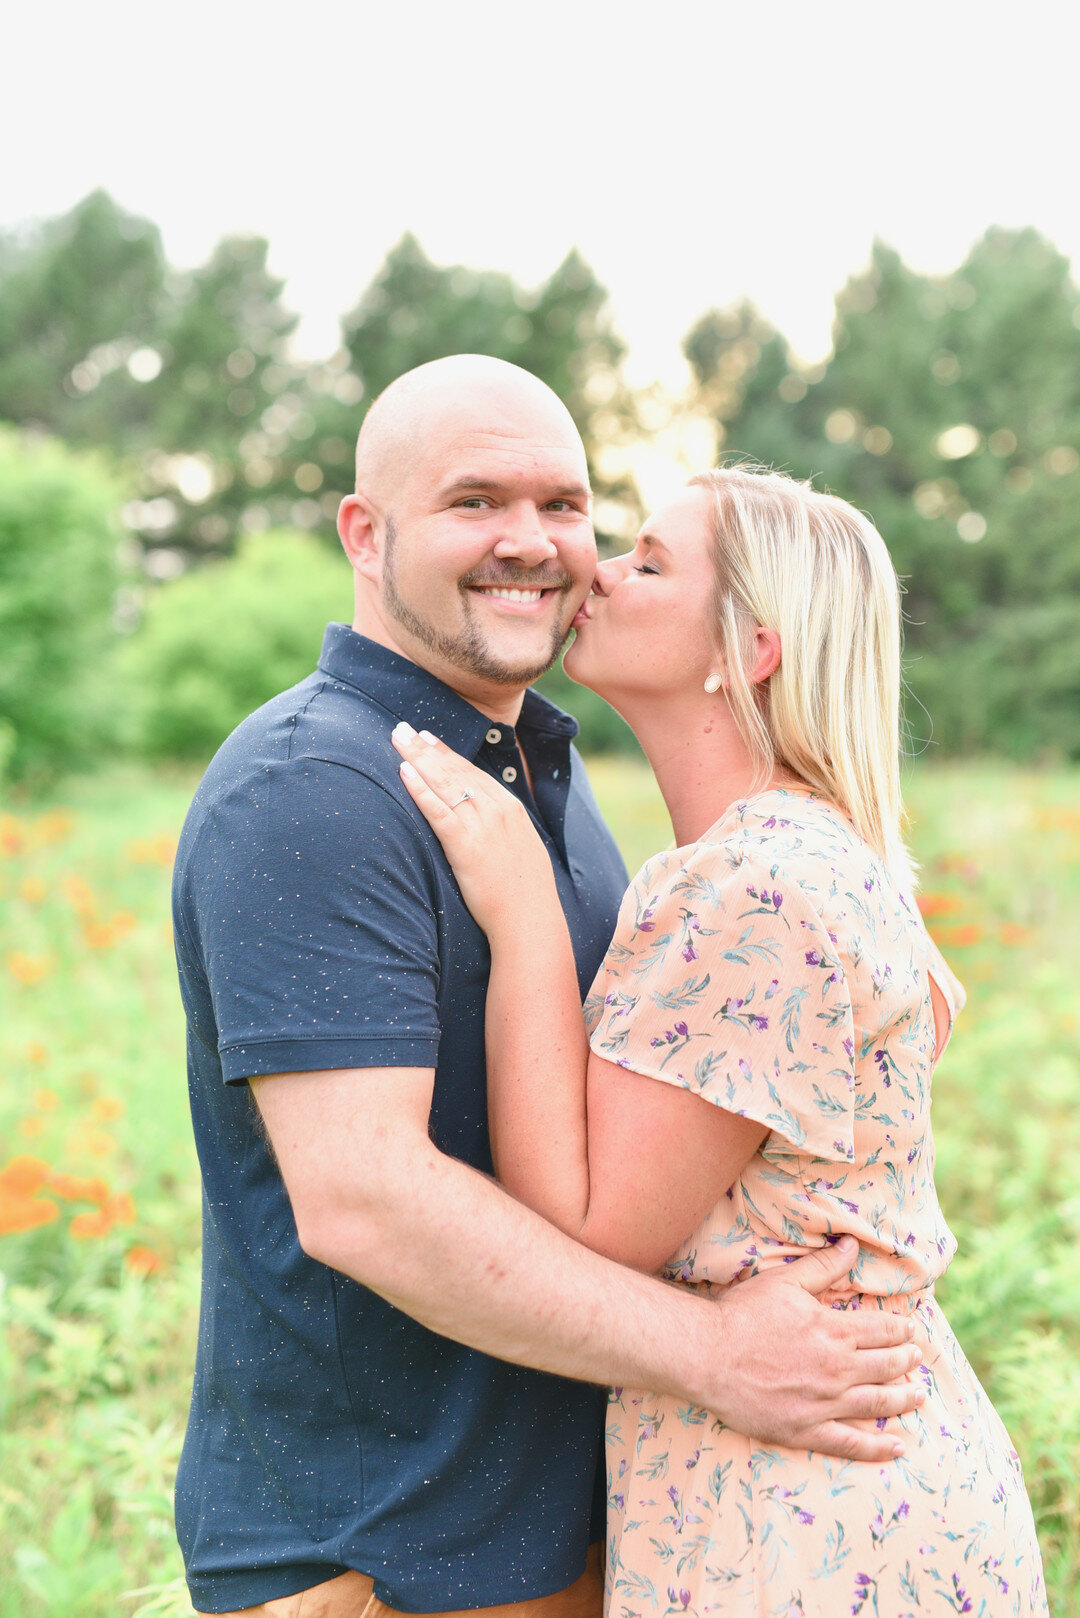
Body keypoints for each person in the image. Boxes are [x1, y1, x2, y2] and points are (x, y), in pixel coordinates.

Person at [172, 359, 924, 1618]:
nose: (532, 543)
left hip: (581, 1534)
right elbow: (364, 1200)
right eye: (476, 500)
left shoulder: (537, 790)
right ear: (367, 531)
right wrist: (718, 1356)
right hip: (390, 1553)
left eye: (566, 506)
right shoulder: (315, 788)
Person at [391, 462, 1048, 1617]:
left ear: (749, 648)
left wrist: (527, 920)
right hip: (836, 1481)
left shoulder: (756, 887)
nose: (597, 567)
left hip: (806, 1516)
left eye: (650, 562)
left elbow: (591, 1233)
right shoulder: (792, 852)